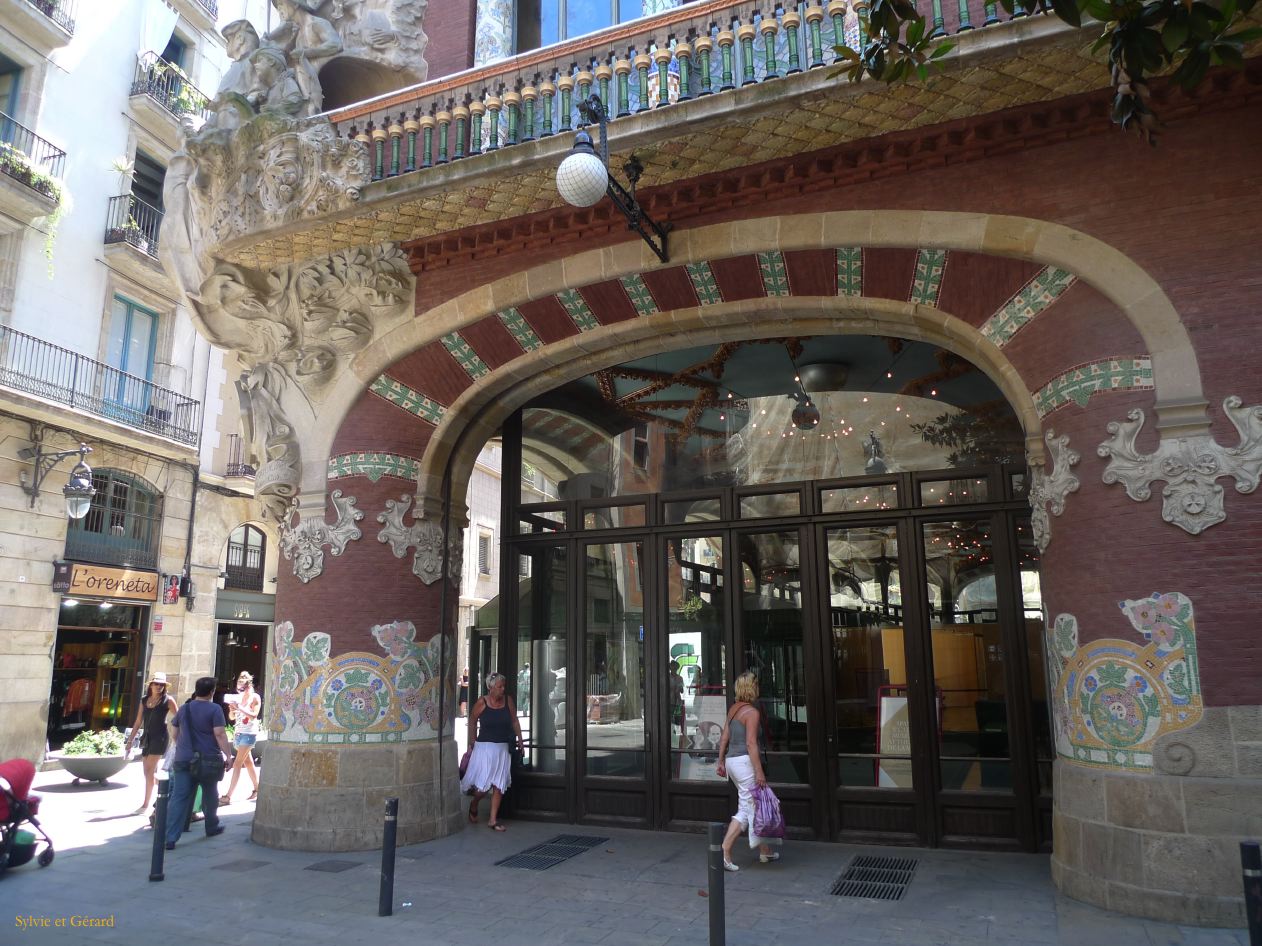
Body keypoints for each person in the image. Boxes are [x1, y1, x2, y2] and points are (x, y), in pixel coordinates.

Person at [715, 671, 779, 871]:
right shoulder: (752, 712)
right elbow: (752, 744)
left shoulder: (734, 709)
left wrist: (720, 761)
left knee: (754, 805)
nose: (759, 688)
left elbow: (724, 736)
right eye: (756, 685)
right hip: (745, 763)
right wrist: (759, 772)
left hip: (733, 761)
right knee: (746, 807)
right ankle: (724, 851)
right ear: (752, 688)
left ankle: (765, 851)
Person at [164, 677, 234, 851]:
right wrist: (228, 755)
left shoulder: (185, 708)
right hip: (208, 759)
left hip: (183, 758)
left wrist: (183, 745)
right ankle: (211, 826)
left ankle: (171, 836)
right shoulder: (215, 709)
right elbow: (219, 734)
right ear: (211, 692)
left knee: (179, 797)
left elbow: (174, 732)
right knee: (210, 794)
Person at [460, 672, 523, 832]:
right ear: (490, 688)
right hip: (485, 748)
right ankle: (474, 804)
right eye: (499, 687)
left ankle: (492, 820)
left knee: (499, 785)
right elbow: (472, 721)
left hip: (502, 748)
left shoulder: (508, 701)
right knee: (483, 786)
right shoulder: (482, 702)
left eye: (503, 686)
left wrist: (520, 739)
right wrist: (472, 741)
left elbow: (514, 720)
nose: (502, 689)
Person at [125, 671, 178, 815]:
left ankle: (146, 804)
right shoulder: (144, 700)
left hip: (160, 737)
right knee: (147, 772)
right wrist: (130, 740)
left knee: (149, 770)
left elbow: (179, 718)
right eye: (156, 684)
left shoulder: (168, 700)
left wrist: (177, 736)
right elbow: (138, 721)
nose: (159, 687)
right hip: (147, 737)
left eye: (162, 685)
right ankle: (166, 788)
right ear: (151, 685)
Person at [220, 671, 261, 805]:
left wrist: (240, 708)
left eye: (242, 687)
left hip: (248, 734)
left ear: (249, 686)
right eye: (238, 686)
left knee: (237, 763)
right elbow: (231, 718)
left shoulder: (255, 697)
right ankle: (257, 789)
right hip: (238, 733)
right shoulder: (238, 698)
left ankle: (228, 796)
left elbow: (254, 715)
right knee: (248, 762)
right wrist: (232, 709)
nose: (240, 689)